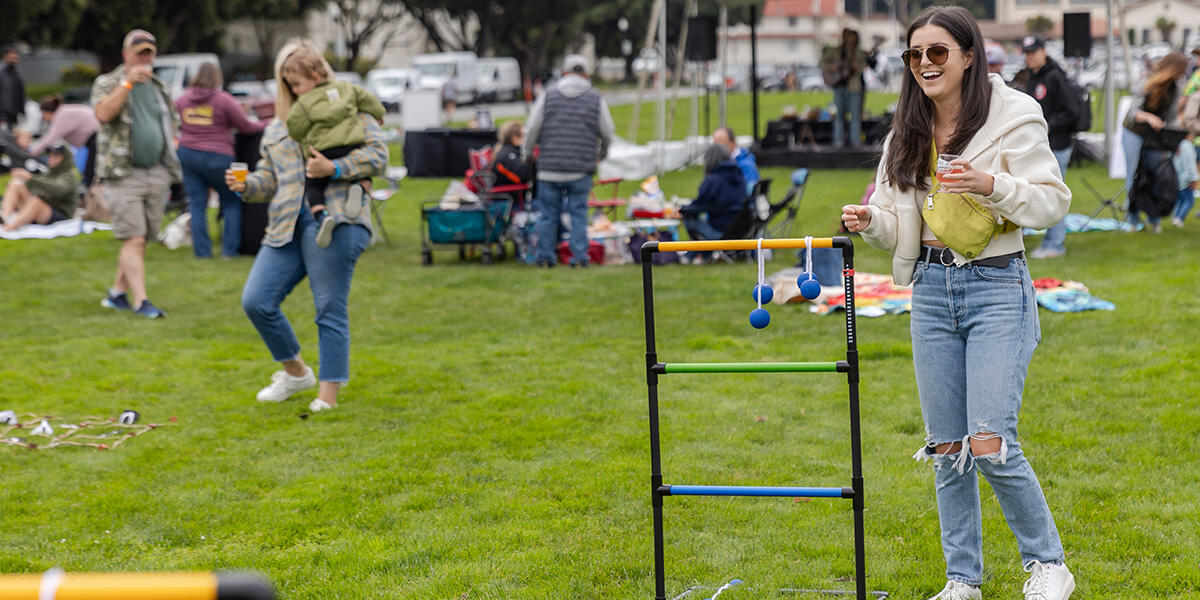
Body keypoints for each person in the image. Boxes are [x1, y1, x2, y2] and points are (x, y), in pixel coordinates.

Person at [840, 7, 1074, 600]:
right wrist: (872, 222)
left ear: (969, 55)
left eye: (937, 52)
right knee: (947, 447)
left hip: (997, 286)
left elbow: (1051, 203)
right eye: (914, 55)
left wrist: (991, 185)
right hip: (931, 291)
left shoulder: (1016, 113)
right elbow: (901, 229)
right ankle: (962, 579)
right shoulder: (906, 132)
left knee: (990, 441)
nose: (924, 65)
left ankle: (1048, 564)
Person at [226, 38, 386, 413]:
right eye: (287, 83)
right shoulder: (278, 127)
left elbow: (379, 155)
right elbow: (269, 180)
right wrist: (245, 185)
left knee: (329, 306)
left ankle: (327, 396)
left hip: (336, 218)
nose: (294, 89)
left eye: (296, 81)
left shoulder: (348, 108)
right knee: (256, 300)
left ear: (317, 74)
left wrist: (336, 169)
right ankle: (296, 373)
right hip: (284, 224)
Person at [91, 29, 181, 319]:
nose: (143, 58)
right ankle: (142, 301)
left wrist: (173, 145)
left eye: (148, 53)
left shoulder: (159, 87)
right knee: (134, 238)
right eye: (138, 52)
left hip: (157, 171)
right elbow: (103, 115)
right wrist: (126, 84)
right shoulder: (107, 82)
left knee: (142, 237)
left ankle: (117, 293)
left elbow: (173, 122)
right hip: (123, 174)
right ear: (125, 54)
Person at [281, 46, 385, 249]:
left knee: (314, 185)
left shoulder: (303, 104)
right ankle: (359, 188)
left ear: (314, 77)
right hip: (353, 145)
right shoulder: (348, 88)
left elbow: (294, 127)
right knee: (363, 173)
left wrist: (301, 135)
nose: (294, 90)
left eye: (296, 85)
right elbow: (369, 100)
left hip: (324, 151)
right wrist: (378, 113)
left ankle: (322, 216)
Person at [522, 53, 615, 268]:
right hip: (581, 168)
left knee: (548, 216)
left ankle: (545, 257)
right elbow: (608, 132)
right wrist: (601, 154)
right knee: (579, 216)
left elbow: (532, 128)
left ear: (564, 72)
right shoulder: (595, 97)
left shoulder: (548, 95)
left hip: (549, 167)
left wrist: (527, 154)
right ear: (586, 74)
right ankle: (580, 258)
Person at [175, 63, 266, 259]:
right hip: (218, 157)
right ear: (217, 77)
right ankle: (229, 251)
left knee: (197, 204)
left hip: (189, 155)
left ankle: (202, 252)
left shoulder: (182, 100)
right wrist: (267, 123)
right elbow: (246, 127)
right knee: (231, 201)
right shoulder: (223, 100)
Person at [1021, 36, 1079, 259]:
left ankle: (1055, 244)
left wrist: (1047, 126)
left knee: (1055, 196)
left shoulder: (1055, 76)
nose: (1029, 57)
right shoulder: (1034, 76)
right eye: (1026, 53)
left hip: (1057, 144)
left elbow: (1071, 111)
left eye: (1033, 52)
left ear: (1043, 51)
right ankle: (1040, 237)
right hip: (1040, 146)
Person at [1122, 51, 1190, 233]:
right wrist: (1149, 118)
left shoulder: (1176, 87)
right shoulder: (1147, 82)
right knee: (1134, 176)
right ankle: (1133, 219)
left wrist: (1173, 143)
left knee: (1157, 176)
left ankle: (1154, 218)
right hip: (1134, 132)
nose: (1183, 74)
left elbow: (1173, 117)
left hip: (1156, 135)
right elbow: (1132, 112)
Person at [680, 144, 747, 264]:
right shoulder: (738, 174)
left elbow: (698, 205)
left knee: (688, 218)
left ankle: (702, 255)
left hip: (720, 230)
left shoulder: (714, 180)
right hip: (740, 227)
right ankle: (694, 255)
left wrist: (681, 209)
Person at [1, 142, 78, 230]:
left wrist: (30, 178)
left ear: (64, 159)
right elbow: (33, 187)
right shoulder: (49, 172)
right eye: (50, 156)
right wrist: (23, 178)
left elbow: (58, 190)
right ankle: (5, 218)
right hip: (43, 208)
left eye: (55, 156)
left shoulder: (69, 175)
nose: (50, 159)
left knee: (35, 201)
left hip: (60, 214)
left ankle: (7, 228)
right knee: (15, 185)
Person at [27, 94, 99, 186]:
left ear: (46, 112)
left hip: (95, 137)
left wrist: (32, 152)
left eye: (44, 116)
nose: (45, 119)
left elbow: (50, 138)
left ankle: (92, 195)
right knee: (90, 170)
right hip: (93, 139)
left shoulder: (61, 115)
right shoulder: (63, 111)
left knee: (90, 172)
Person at [821, 28, 875, 148]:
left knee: (855, 115)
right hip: (838, 86)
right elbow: (822, 63)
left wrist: (857, 66)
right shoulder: (836, 51)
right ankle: (838, 142)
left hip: (854, 87)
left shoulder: (859, 53)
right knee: (839, 115)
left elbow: (863, 68)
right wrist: (832, 66)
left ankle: (856, 143)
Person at [713, 126, 759, 195]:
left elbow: (748, 194)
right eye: (716, 147)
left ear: (733, 142)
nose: (719, 150)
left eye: (723, 146)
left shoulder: (746, 165)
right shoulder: (718, 162)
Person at [1170, 133, 1198, 226]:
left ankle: (1175, 217)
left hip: (1177, 178)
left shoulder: (1177, 144)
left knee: (1180, 199)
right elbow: (1191, 164)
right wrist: (1193, 178)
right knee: (1189, 201)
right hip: (1186, 179)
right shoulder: (1188, 146)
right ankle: (1179, 218)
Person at [0, 45, 24, 129]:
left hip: (14, 115)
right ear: (5, 56)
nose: (15, 57)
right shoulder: (1, 73)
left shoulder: (17, 73)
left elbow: (20, 93)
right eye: (12, 55)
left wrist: (22, 111)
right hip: (3, 116)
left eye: (16, 55)